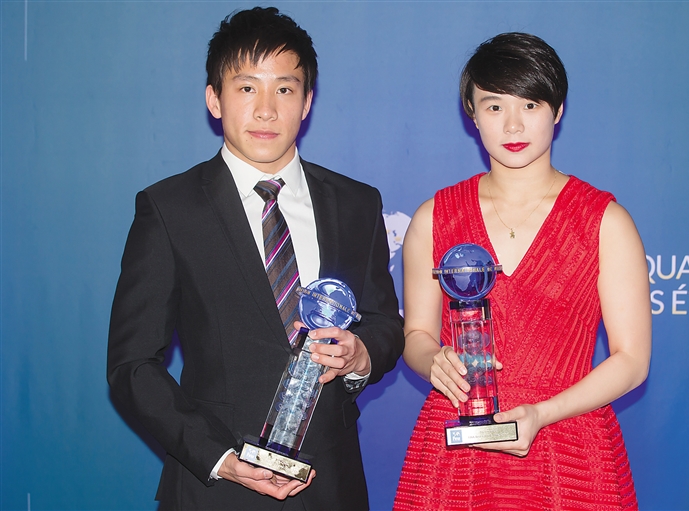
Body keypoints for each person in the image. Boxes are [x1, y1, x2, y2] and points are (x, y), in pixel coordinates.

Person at [107, 7, 404, 510]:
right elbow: (132, 364)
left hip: (330, 485)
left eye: (284, 89)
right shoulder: (170, 208)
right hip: (215, 489)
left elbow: (384, 323)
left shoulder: (356, 203)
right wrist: (220, 457)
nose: (266, 110)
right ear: (214, 99)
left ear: (307, 102)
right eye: (247, 88)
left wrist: (360, 355)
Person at [393, 33, 651, 510]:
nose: (513, 124)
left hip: (569, 446)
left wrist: (542, 413)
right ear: (472, 115)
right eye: (494, 107)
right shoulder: (434, 218)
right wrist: (435, 362)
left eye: (530, 105)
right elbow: (416, 336)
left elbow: (632, 360)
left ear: (557, 110)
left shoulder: (604, 222)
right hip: (459, 445)